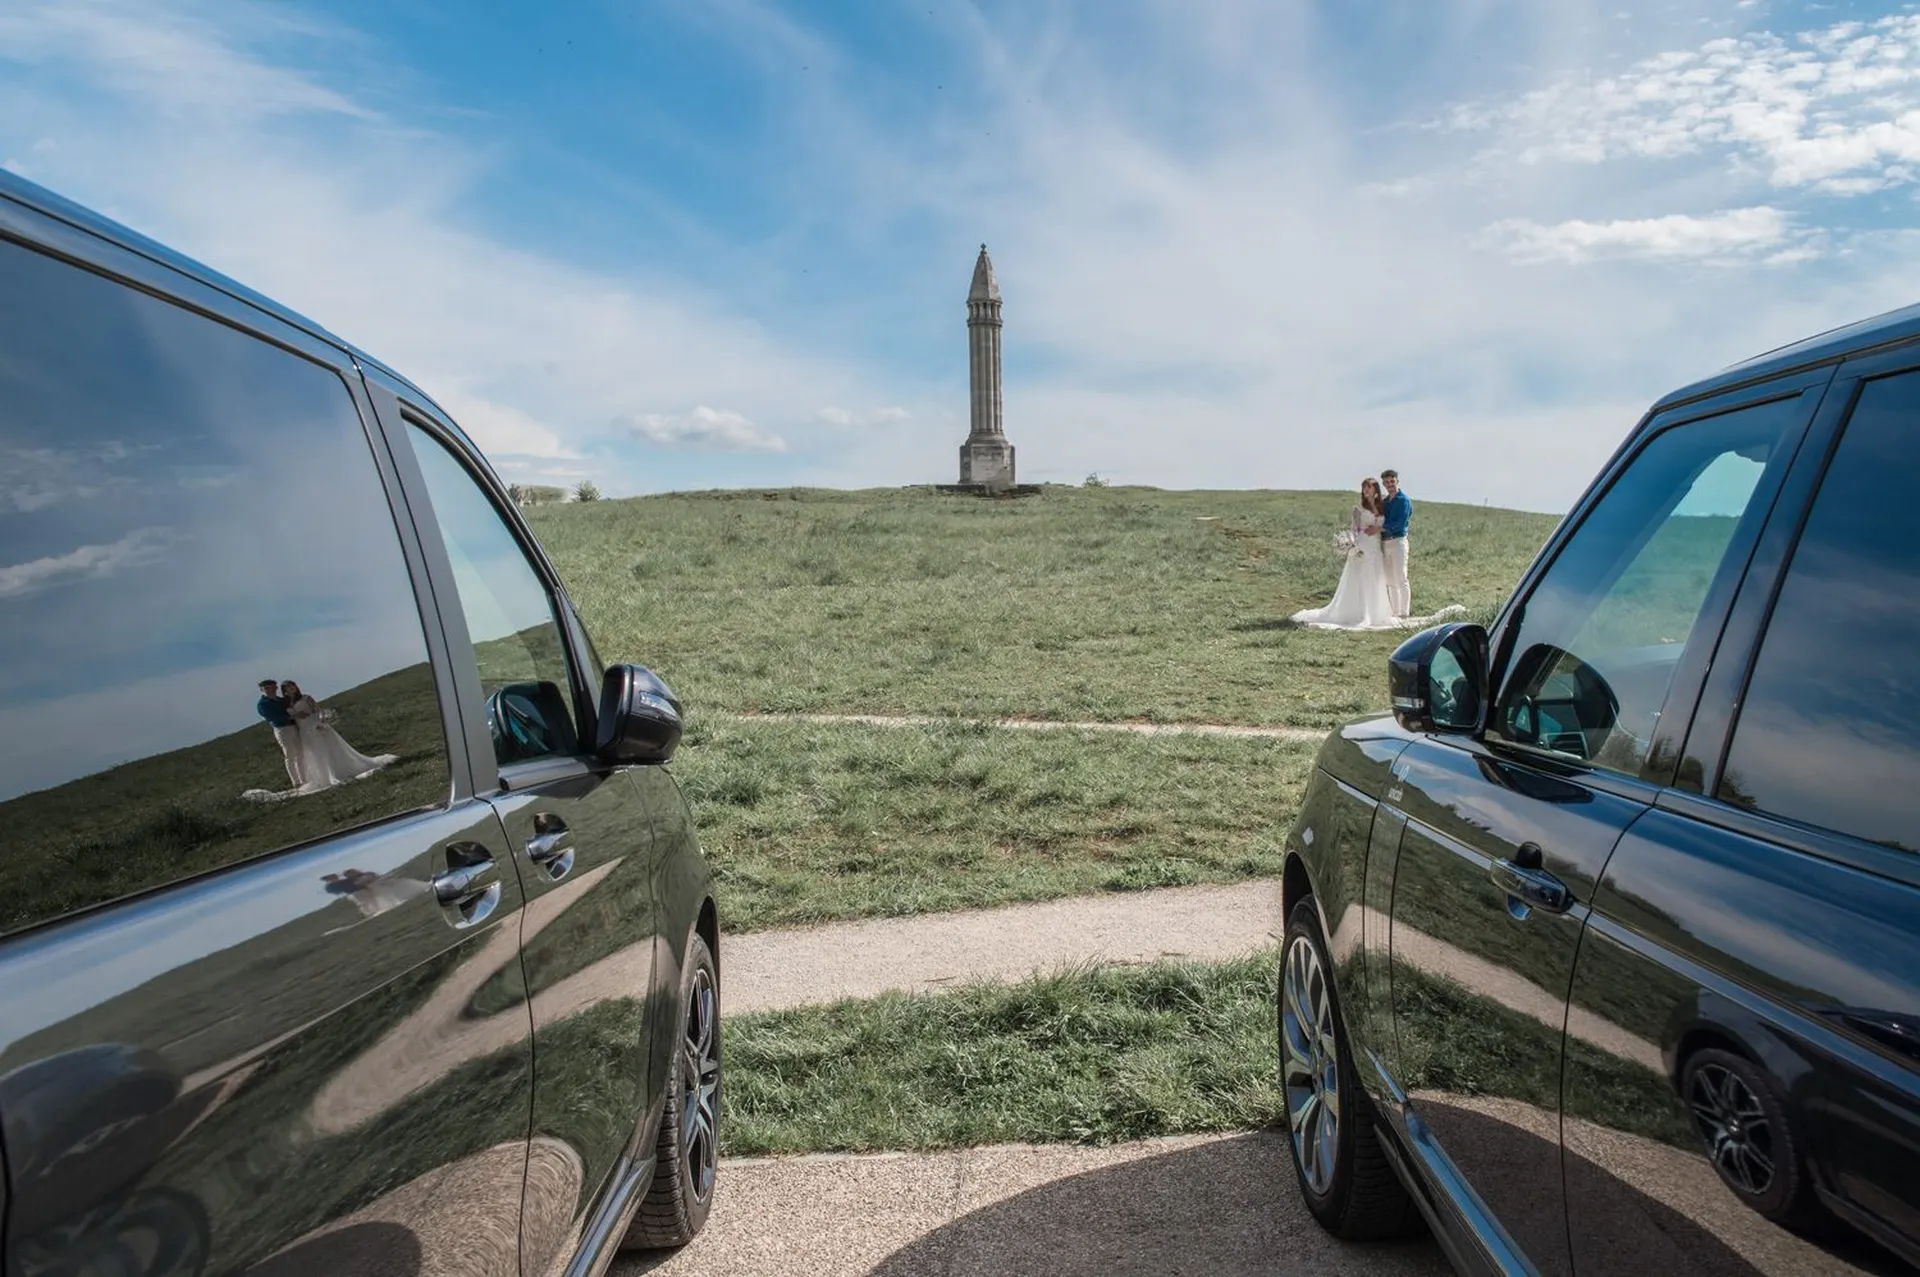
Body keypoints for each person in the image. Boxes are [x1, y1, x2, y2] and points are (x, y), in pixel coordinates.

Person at [1291, 479, 1400, 630]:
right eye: (1364, 487)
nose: (1366, 490)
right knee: (1361, 578)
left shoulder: (1382, 507)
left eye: (1369, 487)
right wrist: (1354, 545)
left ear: (1376, 489)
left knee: (1375, 578)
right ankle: (1362, 613)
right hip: (1362, 545)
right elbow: (1354, 529)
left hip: (1376, 547)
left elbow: (1383, 526)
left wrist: (1378, 530)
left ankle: (1377, 613)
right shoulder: (1359, 508)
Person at [282, 680, 399, 792]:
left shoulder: (306, 698)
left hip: (314, 725)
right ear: (285, 691)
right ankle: (322, 777)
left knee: (327, 749)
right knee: (315, 753)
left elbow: (317, 710)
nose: (291, 689)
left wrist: (320, 722)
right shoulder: (287, 704)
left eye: (292, 686)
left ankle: (335, 772)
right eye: (288, 688)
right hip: (304, 730)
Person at [256, 678, 304, 789]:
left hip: (292, 726)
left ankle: (304, 777)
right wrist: (294, 716)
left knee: (300, 753)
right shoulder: (263, 704)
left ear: (276, 688)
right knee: (290, 755)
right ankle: (296, 782)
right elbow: (274, 717)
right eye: (266, 688)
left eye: (271, 687)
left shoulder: (281, 700)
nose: (269, 690)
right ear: (262, 690)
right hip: (282, 729)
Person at [1381, 469, 1413, 618]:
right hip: (1385, 543)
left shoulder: (1404, 500)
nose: (1390, 484)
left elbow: (1400, 524)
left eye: (1392, 481)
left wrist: (1381, 528)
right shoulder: (1385, 502)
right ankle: (1395, 611)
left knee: (1401, 576)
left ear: (1397, 481)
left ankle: (1404, 612)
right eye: (1387, 482)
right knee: (1390, 579)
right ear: (1383, 484)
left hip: (1398, 541)